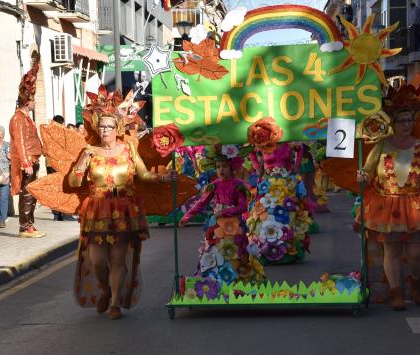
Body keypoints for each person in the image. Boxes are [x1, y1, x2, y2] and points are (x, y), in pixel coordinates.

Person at [68, 112, 177, 319]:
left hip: (123, 210)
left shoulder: (128, 149)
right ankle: (106, 290)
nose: (105, 131)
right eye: (101, 127)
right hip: (97, 211)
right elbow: (74, 183)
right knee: (97, 260)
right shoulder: (89, 151)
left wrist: (162, 178)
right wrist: (83, 162)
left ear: (117, 129)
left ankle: (115, 302)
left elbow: (143, 175)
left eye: (109, 127)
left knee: (118, 259)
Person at [357, 108, 420, 311]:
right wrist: (363, 177)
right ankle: (396, 292)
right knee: (392, 250)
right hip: (388, 204)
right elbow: (369, 171)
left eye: (410, 120)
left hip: (416, 205)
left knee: (417, 252)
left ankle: (415, 283)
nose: (407, 124)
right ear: (392, 124)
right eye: (402, 121)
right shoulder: (381, 145)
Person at [179, 145, 265, 284]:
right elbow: (202, 202)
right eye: (218, 167)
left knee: (234, 252)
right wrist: (186, 217)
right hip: (217, 225)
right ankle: (215, 281)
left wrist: (225, 211)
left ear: (231, 167)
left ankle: (237, 281)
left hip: (234, 226)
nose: (221, 170)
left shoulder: (239, 185)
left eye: (224, 166)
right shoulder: (215, 185)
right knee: (214, 251)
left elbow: (243, 207)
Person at [246, 142, 313, 264]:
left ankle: (288, 248)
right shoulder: (264, 143)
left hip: (286, 185)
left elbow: (300, 149)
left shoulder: (288, 143)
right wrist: (257, 167)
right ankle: (264, 248)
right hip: (267, 184)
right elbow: (250, 150)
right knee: (265, 215)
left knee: (288, 215)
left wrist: (296, 166)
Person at [9, 59, 45, 238]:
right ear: (27, 101)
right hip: (27, 162)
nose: (35, 103)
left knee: (32, 194)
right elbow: (20, 142)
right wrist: (25, 162)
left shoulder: (25, 117)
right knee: (26, 195)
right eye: (34, 99)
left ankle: (30, 224)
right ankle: (25, 227)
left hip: (33, 160)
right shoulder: (18, 118)